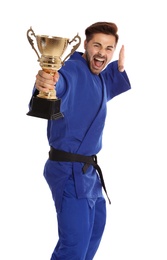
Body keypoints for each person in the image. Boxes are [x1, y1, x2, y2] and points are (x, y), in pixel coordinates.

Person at [29, 21, 131, 259]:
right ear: (85, 45)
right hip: (68, 172)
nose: (102, 53)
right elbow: (60, 82)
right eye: (97, 45)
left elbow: (100, 88)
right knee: (73, 248)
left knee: (94, 232)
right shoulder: (72, 70)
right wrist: (48, 83)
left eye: (108, 48)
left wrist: (119, 70)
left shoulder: (98, 77)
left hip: (89, 174)